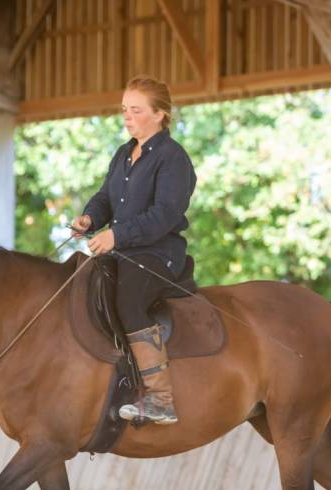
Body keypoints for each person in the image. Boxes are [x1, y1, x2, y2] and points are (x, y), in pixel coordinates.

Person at [72, 75, 197, 425]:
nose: (127, 117)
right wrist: (90, 217)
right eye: (124, 110)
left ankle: (160, 398)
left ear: (159, 115)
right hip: (123, 250)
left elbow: (165, 215)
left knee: (128, 300)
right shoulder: (124, 153)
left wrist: (115, 235)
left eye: (136, 110)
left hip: (159, 254)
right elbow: (106, 198)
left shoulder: (173, 159)